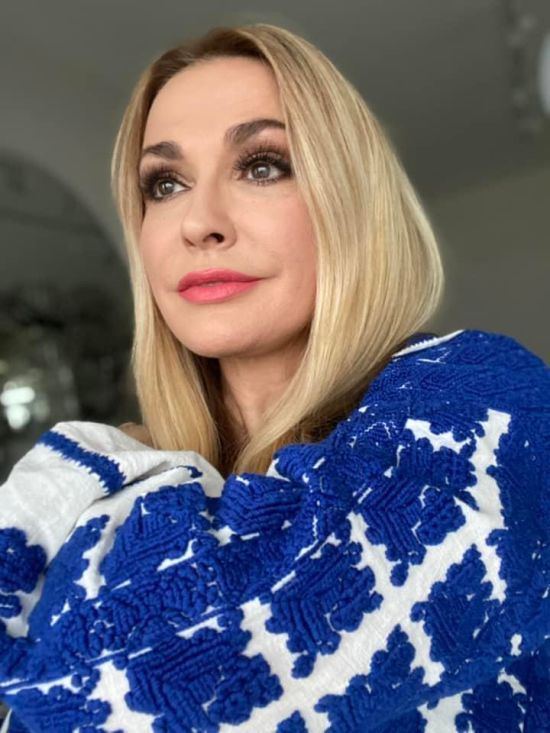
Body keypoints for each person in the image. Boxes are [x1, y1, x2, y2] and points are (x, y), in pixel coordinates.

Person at [0, 22, 548, 733]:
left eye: (262, 165)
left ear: (351, 204)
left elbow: (160, 695)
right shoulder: (146, 480)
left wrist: (77, 469)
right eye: (165, 183)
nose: (199, 222)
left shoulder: (488, 400)